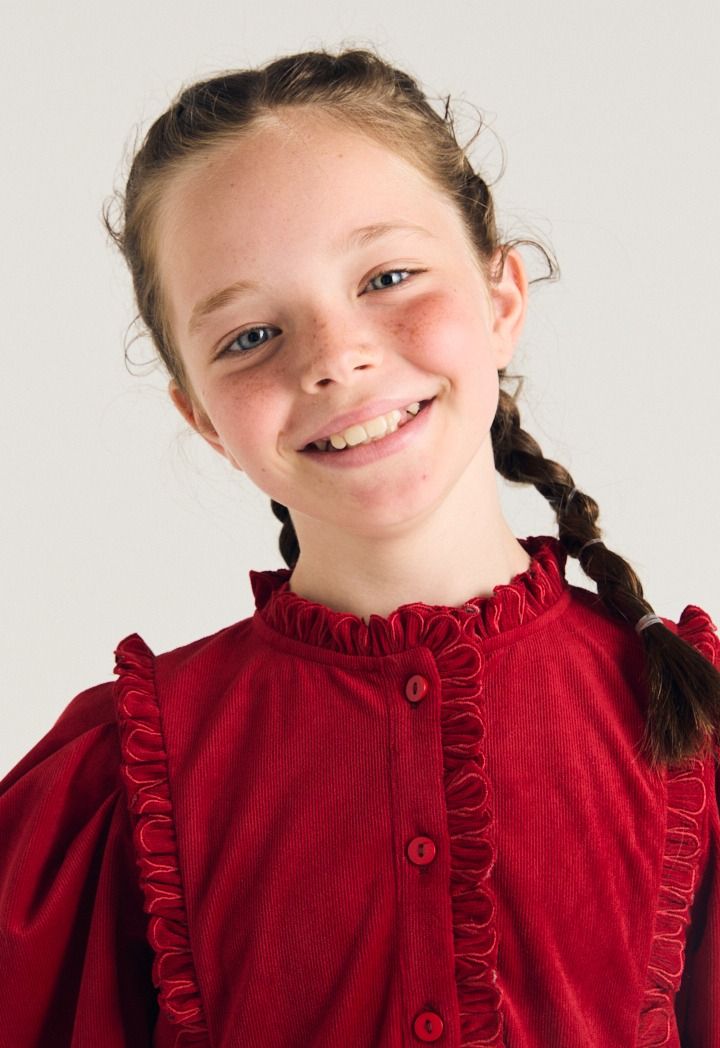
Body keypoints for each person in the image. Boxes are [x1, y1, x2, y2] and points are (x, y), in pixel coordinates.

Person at [1, 47, 719, 1048]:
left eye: (386, 277)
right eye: (250, 336)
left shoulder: (689, 721)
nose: (336, 358)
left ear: (502, 300)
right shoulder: (119, 780)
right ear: (202, 417)